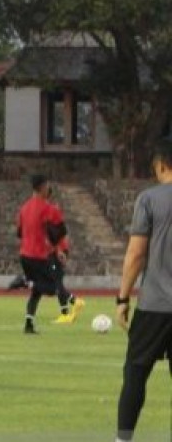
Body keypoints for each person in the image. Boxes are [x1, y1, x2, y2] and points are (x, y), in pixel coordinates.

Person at [114, 140, 172, 442]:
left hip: (154, 305)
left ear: (161, 165)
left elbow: (136, 254)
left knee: (136, 372)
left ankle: (123, 439)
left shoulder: (149, 199)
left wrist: (123, 298)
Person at [13, 174, 81, 334]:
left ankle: (29, 324)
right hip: (39, 256)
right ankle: (25, 282)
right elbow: (60, 232)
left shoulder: (23, 208)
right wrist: (60, 250)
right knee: (50, 288)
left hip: (24, 255)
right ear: (43, 187)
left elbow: (19, 233)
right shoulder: (49, 209)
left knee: (36, 291)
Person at [46, 191, 84, 324]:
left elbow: (55, 234)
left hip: (56, 251)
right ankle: (67, 310)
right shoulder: (52, 210)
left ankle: (72, 304)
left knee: (56, 283)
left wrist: (59, 250)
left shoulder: (49, 210)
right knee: (55, 282)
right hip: (57, 250)